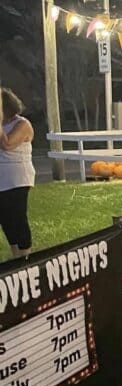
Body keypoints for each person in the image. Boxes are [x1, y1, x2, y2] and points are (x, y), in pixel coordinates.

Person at [0, 87, 35, 260]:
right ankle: (16, 257)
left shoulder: (22, 124)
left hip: (17, 179)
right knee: (5, 219)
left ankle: (26, 256)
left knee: (17, 217)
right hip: (1, 180)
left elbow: (6, 145)